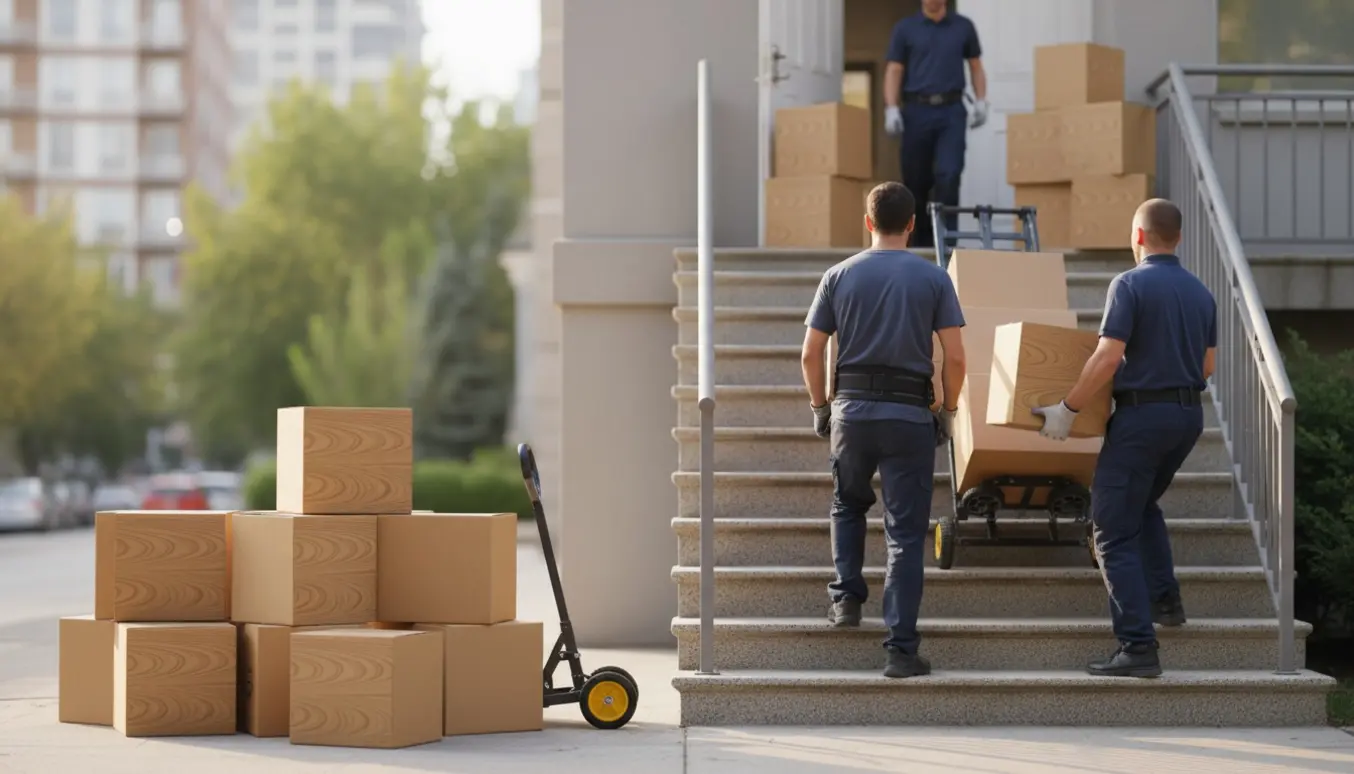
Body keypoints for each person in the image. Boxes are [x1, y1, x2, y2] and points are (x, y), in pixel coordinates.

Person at [1032, 199, 1217, 679]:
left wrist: (1068, 409)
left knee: (1110, 530)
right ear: (1176, 237)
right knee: (1143, 504)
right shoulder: (1201, 292)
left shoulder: (1129, 284)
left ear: (1138, 236)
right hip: (1187, 417)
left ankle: (1137, 646)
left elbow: (1108, 356)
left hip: (1142, 421)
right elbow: (1207, 367)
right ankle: (1164, 599)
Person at [801, 181, 967, 679]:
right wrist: (949, 408)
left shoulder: (837, 275)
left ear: (868, 222)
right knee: (905, 534)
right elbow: (955, 356)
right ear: (912, 224)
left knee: (847, 502)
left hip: (851, 412)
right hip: (910, 415)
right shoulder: (934, 278)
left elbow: (811, 352)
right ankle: (900, 650)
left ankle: (847, 599)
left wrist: (820, 406)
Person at [883, 0, 989, 250]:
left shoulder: (963, 27)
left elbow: (975, 66)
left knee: (949, 174)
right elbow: (894, 70)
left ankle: (948, 242)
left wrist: (982, 101)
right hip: (916, 111)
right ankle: (919, 244)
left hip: (951, 111)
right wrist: (891, 107)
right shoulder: (905, 29)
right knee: (916, 180)